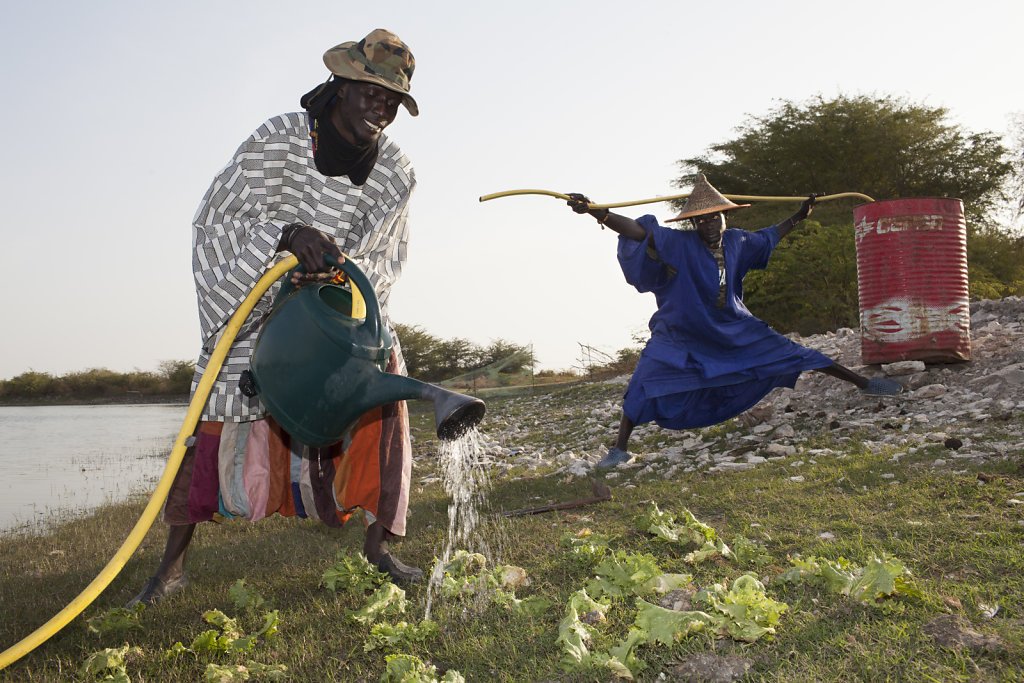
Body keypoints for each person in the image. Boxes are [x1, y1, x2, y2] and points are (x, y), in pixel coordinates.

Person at [129, 29, 424, 607]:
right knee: (213, 415)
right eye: (371, 93)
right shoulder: (277, 142)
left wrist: (337, 278)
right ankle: (171, 567)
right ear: (341, 85)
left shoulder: (394, 171)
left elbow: (387, 253)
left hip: (339, 311)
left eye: (393, 101)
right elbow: (217, 225)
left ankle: (379, 550)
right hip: (257, 301)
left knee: (382, 402)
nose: (381, 108)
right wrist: (285, 239)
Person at [566, 174, 903, 469]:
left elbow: (772, 235)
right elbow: (640, 232)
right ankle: (619, 449)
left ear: (724, 217)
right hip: (682, 328)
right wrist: (599, 211)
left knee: (790, 351)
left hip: (731, 324)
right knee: (644, 378)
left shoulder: (738, 241)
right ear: (694, 224)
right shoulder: (679, 243)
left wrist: (799, 216)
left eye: (715, 218)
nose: (709, 225)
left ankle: (865, 384)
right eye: (702, 221)